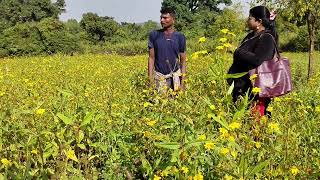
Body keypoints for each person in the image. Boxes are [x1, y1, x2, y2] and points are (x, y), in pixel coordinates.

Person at [227, 6, 278, 117]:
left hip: (254, 91)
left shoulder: (267, 38)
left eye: (250, 18)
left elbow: (258, 60)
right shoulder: (251, 36)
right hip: (242, 87)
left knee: (255, 125)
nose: (247, 20)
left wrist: (236, 51)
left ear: (259, 21)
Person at [148, 7, 187, 93]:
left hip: (176, 76)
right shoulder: (154, 35)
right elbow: (151, 58)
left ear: (173, 20)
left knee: (177, 102)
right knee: (160, 103)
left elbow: (183, 61)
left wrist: (183, 82)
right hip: (160, 76)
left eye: (165, 18)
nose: (162, 20)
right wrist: (150, 80)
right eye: (161, 18)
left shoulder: (180, 37)